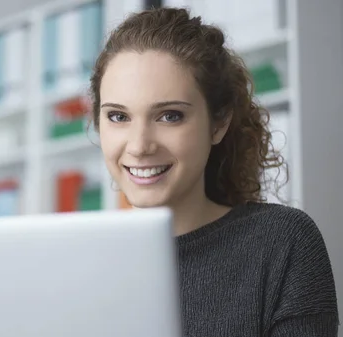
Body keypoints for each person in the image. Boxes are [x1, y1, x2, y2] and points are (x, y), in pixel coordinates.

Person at [89, 7, 339, 336]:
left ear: (218, 123)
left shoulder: (282, 244)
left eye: (169, 116)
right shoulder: (84, 264)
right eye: (119, 117)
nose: (139, 146)